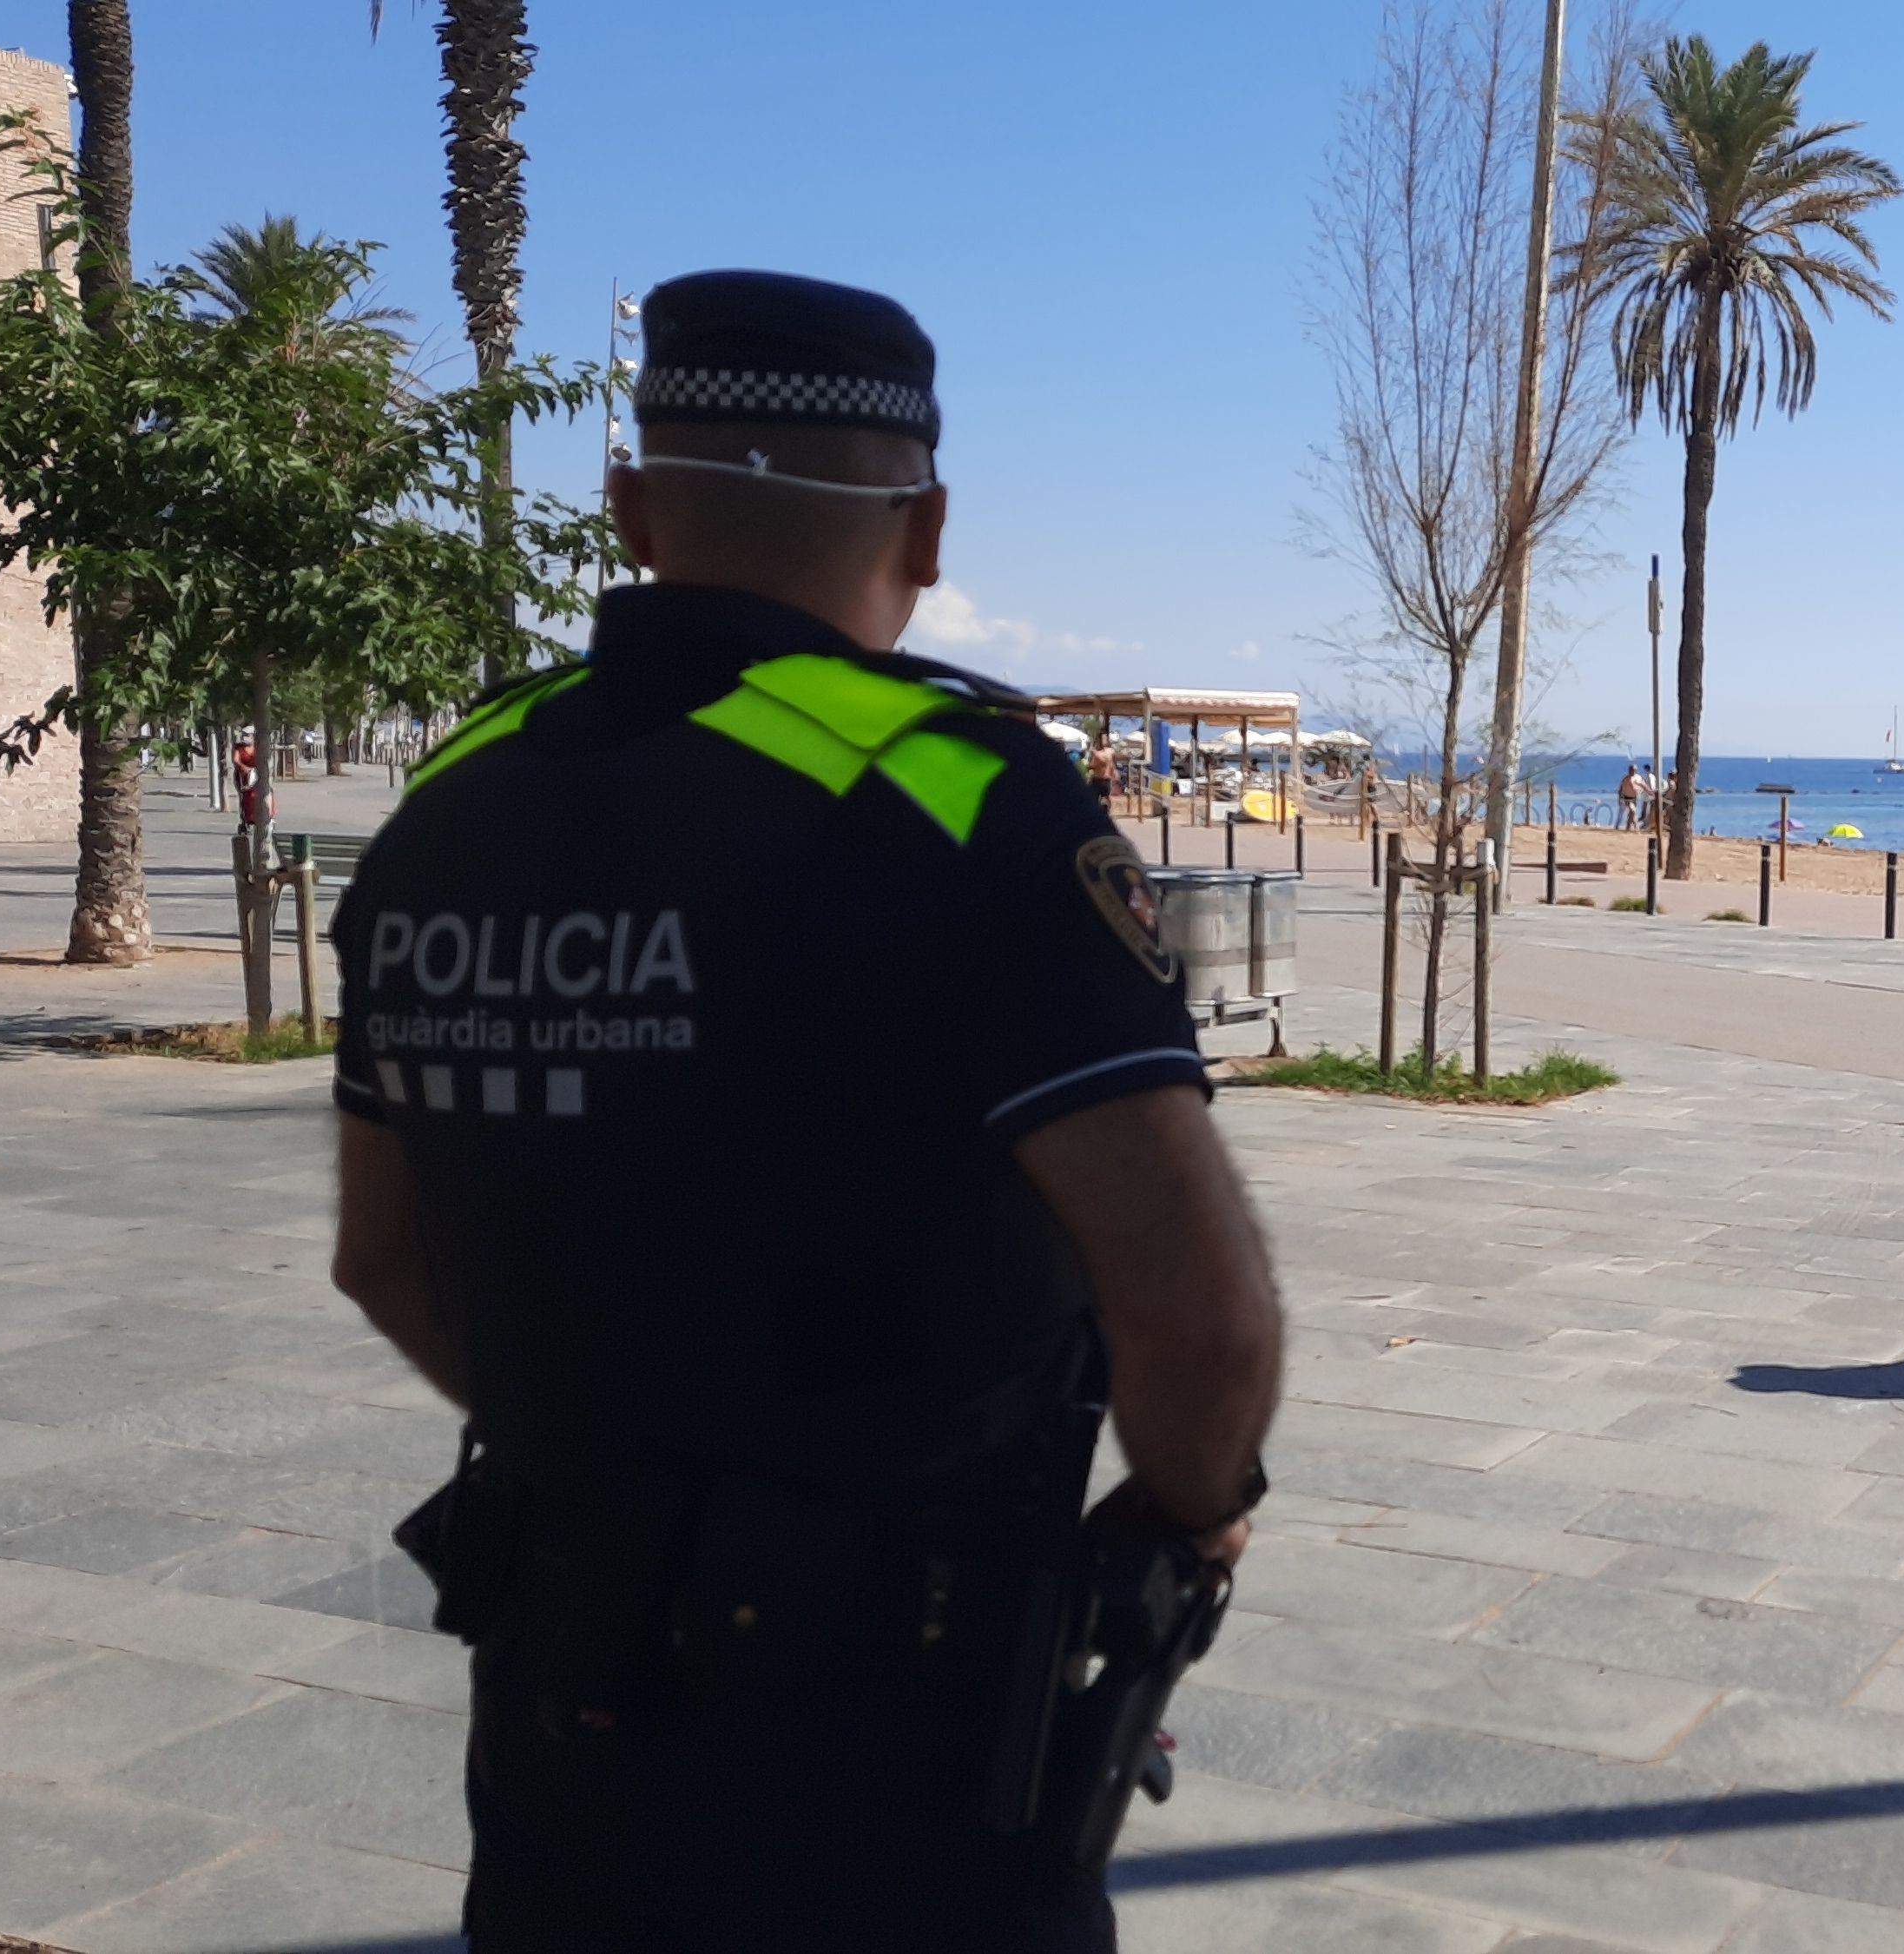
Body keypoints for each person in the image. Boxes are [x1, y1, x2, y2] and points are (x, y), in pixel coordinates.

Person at [323, 272, 1285, 1953]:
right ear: (923, 528)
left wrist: (621, 1468)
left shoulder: (452, 806)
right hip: (898, 1761)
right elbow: (1191, 1310)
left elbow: (381, 1260)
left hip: (563, 1723)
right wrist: (1191, 1506)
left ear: (626, 508)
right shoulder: (958, 799)